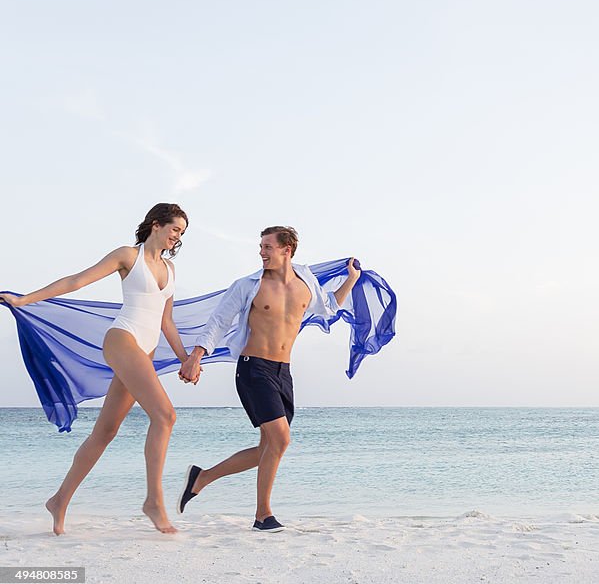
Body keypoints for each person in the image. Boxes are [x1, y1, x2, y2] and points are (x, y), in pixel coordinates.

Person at [0, 203, 190, 535]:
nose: (178, 236)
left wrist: (185, 357)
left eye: (182, 233)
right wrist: (24, 300)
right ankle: (154, 502)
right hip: (122, 340)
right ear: (156, 225)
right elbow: (76, 281)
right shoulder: (128, 256)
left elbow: (167, 322)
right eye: (175, 229)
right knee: (166, 416)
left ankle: (59, 500)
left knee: (105, 432)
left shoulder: (171, 271)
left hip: (143, 352)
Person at [176, 226, 361, 532]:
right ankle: (263, 515)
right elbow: (219, 321)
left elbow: (328, 308)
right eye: (261, 247)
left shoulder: (306, 283)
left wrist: (351, 280)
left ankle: (202, 477)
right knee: (281, 438)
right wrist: (196, 357)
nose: (261, 252)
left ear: (287, 249)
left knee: (270, 447)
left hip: (283, 373)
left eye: (267, 247)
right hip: (253, 369)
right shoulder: (249, 285)